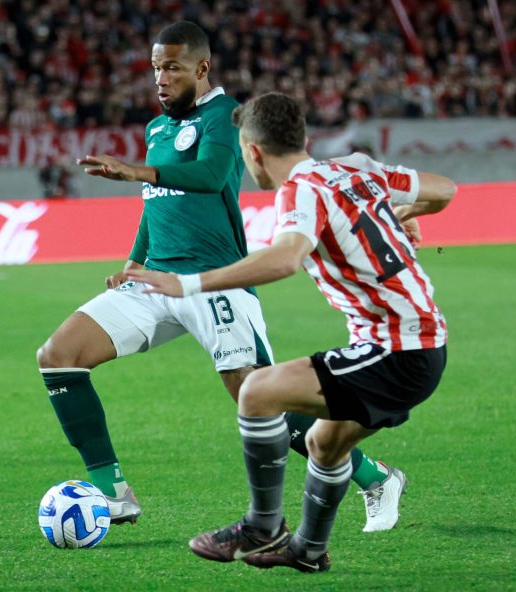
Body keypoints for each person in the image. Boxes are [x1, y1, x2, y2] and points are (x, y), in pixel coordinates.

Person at [36, 22, 394, 530]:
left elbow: (206, 178)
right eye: (156, 67)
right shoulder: (156, 128)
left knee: (261, 400)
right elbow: (156, 203)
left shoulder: (226, 117)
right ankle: (111, 492)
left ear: (202, 68)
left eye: (172, 67)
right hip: (156, 280)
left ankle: (374, 476)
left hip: (214, 281)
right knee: (58, 357)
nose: (160, 78)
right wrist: (135, 258)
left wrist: (137, 171)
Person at [129, 92, 456, 572]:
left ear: (253, 151)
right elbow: (444, 188)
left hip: (397, 348)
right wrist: (405, 214)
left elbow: (285, 258)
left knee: (257, 390)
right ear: (302, 137)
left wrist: (187, 283)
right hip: (419, 345)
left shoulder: (300, 189)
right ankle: (308, 550)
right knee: (325, 443)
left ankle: (262, 526)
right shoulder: (356, 166)